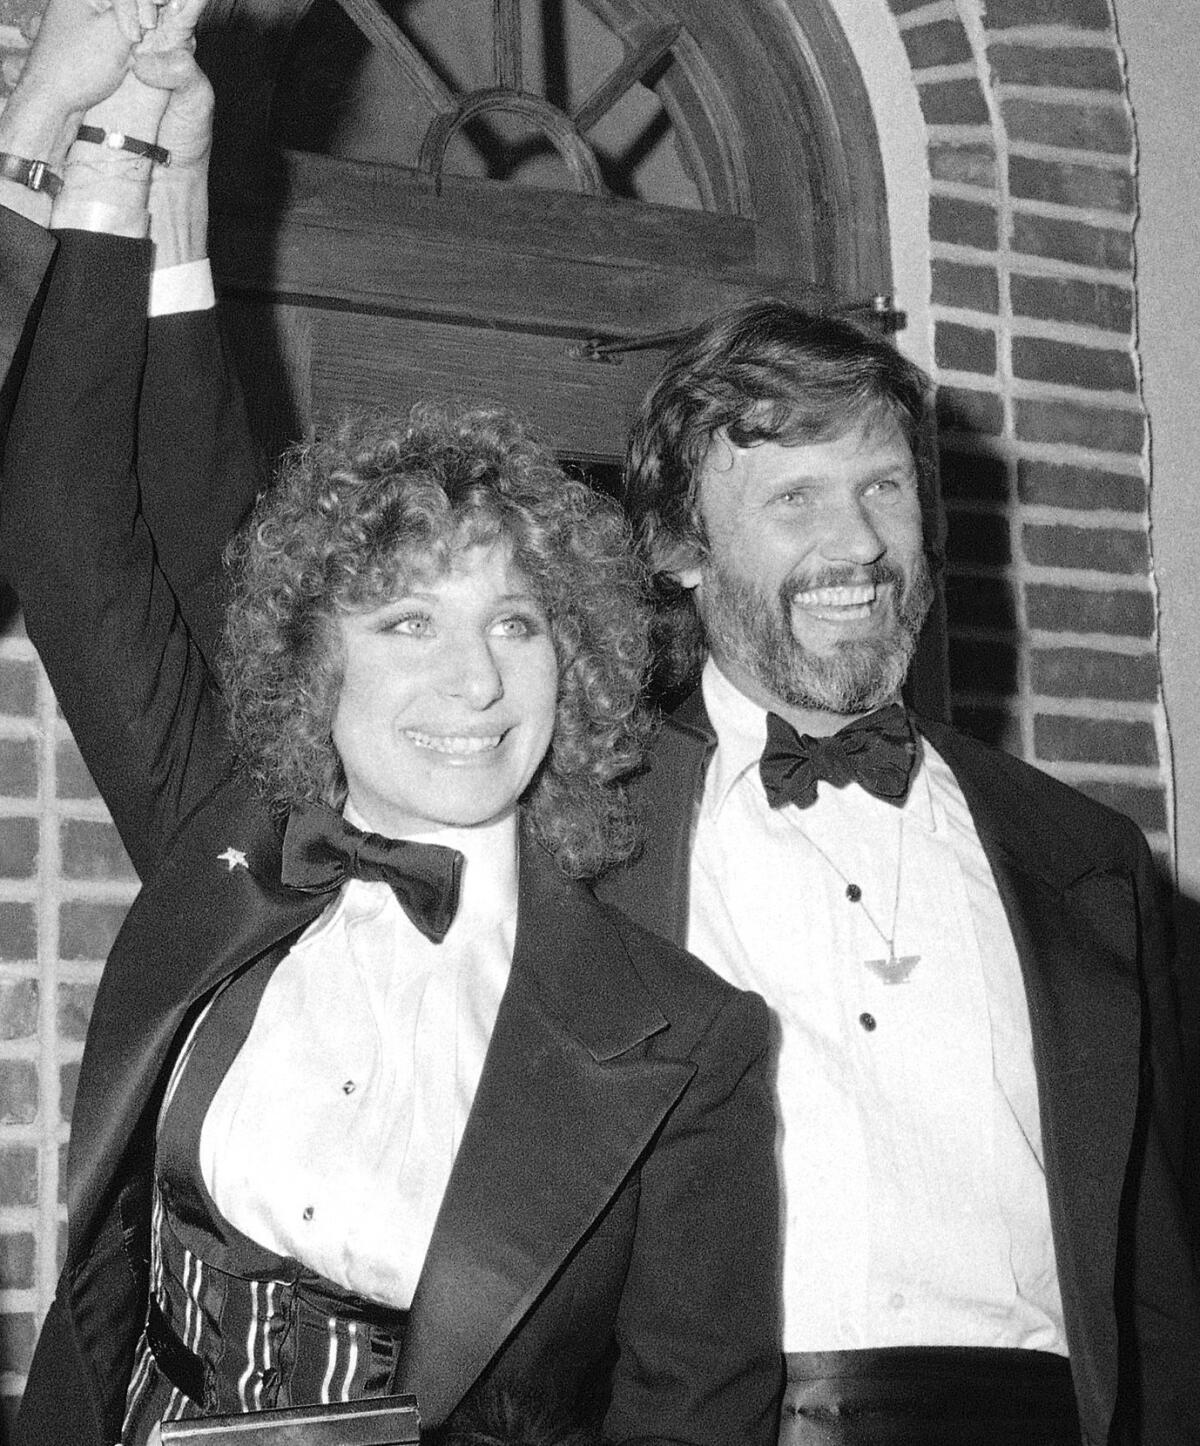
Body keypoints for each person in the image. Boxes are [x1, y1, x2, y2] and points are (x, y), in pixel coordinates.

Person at [0, 16, 782, 1445]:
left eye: (519, 621)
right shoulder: (229, 851)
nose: (475, 683)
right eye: (409, 623)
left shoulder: (689, 1043)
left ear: (586, 656)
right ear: (316, 667)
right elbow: (70, 526)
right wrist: (128, 166)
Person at [592, 304, 1200, 1444]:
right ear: (680, 549)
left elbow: (1157, 1284)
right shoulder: (583, 843)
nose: (861, 545)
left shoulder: (1089, 861)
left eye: (881, 488)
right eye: (795, 499)